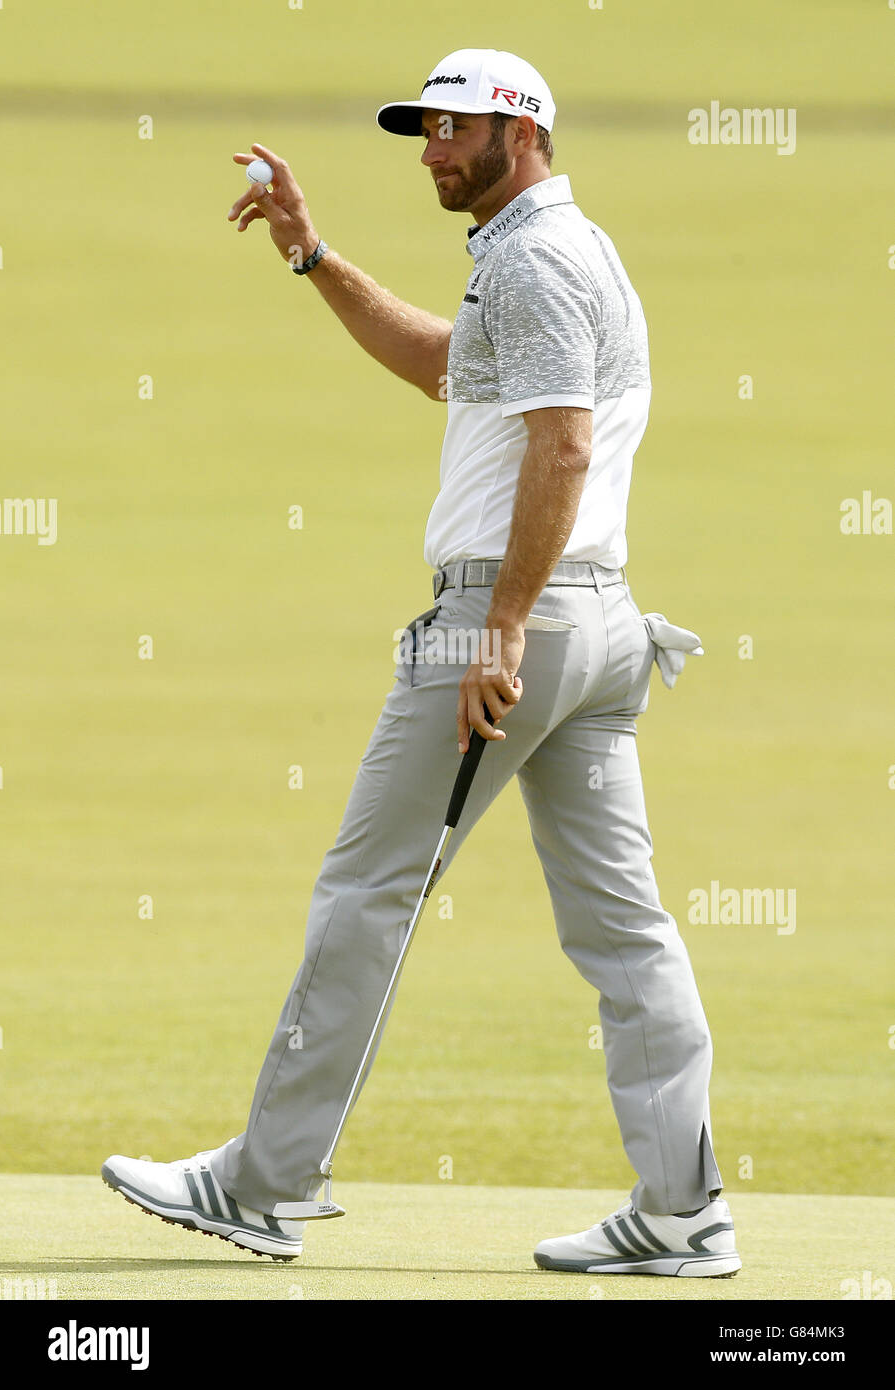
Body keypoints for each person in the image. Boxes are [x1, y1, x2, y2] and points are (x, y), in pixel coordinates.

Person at [102, 48, 740, 1278]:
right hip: (601, 630)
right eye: (428, 132)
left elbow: (561, 449)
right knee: (626, 929)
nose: (436, 152)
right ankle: (683, 1209)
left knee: (367, 894)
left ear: (527, 131)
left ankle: (261, 1183)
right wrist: (310, 254)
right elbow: (454, 371)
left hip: (514, 627)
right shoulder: (554, 248)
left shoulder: (540, 257)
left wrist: (495, 627)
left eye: (458, 130)